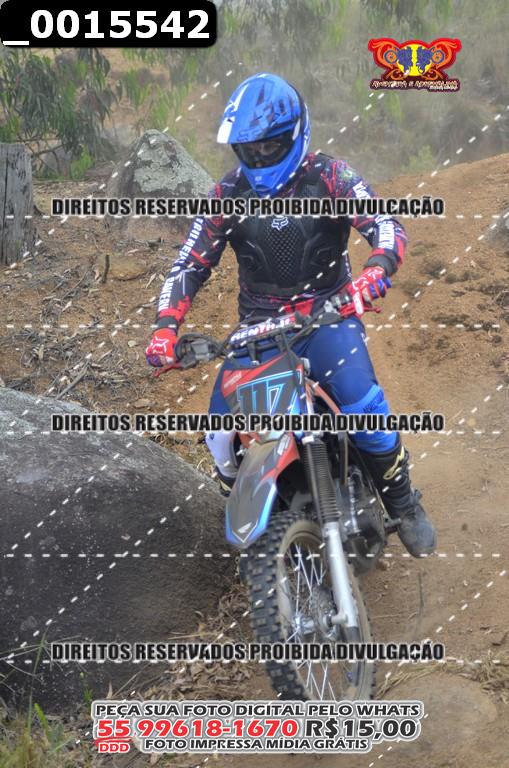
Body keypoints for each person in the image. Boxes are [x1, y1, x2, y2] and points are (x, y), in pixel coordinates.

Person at [146, 72, 436, 558]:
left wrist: (376, 270)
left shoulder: (330, 176)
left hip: (327, 316)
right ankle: (254, 524)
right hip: (257, 331)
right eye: (249, 148)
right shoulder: (226, 195)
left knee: (361, 403)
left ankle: (404, 503)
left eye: (270, 145)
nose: (259, 156)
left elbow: (384, 222)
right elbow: (188, 265)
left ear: (296, 132)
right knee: (221, 436)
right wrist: (164, 329)